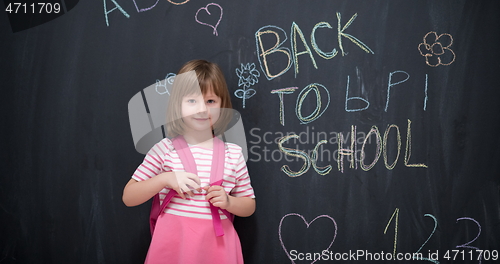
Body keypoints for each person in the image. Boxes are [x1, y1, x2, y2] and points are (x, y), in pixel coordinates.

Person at [123, 60, 256, 264]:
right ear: (178, 105)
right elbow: (129, 197)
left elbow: (249, 205)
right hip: (173, 246)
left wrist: (229, 202)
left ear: (222, 105)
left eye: (210, 101)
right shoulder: (164, 149)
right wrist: (165, 179)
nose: (202, 109)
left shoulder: (234, 154)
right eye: (192, 101)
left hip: (218, 248)